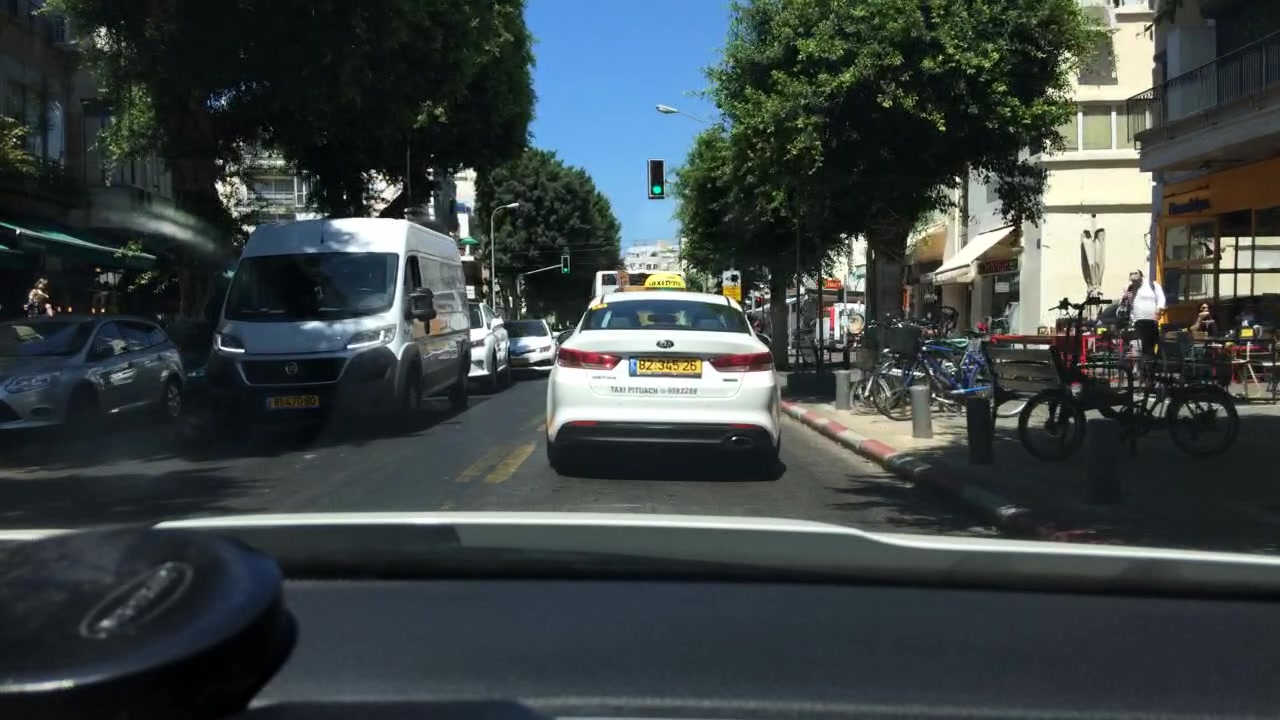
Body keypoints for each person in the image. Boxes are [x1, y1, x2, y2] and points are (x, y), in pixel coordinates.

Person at [1119, 269, 1164, 359]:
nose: (1134, 283)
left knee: (1149, 348)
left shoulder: (1152, 285)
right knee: (1136, 349)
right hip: (1136, 323)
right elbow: (1122, 304)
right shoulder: (1128, 287)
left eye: (1136, 281)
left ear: (1141, 277)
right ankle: (1137, 366)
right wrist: (1124, 298)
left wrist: (1159, 309)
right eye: (1132, 281)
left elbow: (1161, 298)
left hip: (1151, 322)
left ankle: (1149, 365)